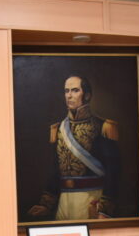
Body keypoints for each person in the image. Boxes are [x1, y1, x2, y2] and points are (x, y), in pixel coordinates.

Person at [27, 75, 120, 221]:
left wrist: (104, 209)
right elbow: (54, 171)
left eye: (75, 90)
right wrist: (46, 205)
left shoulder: (103, 127)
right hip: (63, 202)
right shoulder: (58, 129)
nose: (69, 95)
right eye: (66, 91)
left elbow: (113, 171)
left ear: (87, 95)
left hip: (91, 199)